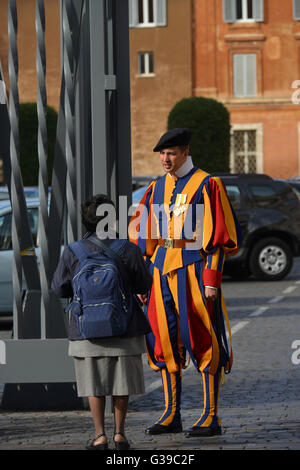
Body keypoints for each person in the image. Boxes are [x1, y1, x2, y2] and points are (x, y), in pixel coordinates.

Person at [129, 128, 241, 437]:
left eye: (172, 153)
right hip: (160, 270)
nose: (166, 159)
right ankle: (171, 413)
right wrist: (143, 280)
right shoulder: (155, 187)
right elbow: (144, 238)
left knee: (202, 338)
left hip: (194, 269)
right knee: (163, 341)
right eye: (163, 154)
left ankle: (211, 415)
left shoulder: (207, 184)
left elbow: (217, 239)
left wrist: (212, 280)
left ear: (185, 152)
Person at [51, 194, 152, 450]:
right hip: (124, 326)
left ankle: (100, 436)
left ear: (85, 221)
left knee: (93, 384)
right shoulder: (127, 249)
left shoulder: (73, 251)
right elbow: (143, 284)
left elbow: (58, 289)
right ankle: (119, 434)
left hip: (86, 329)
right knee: (122, 383)